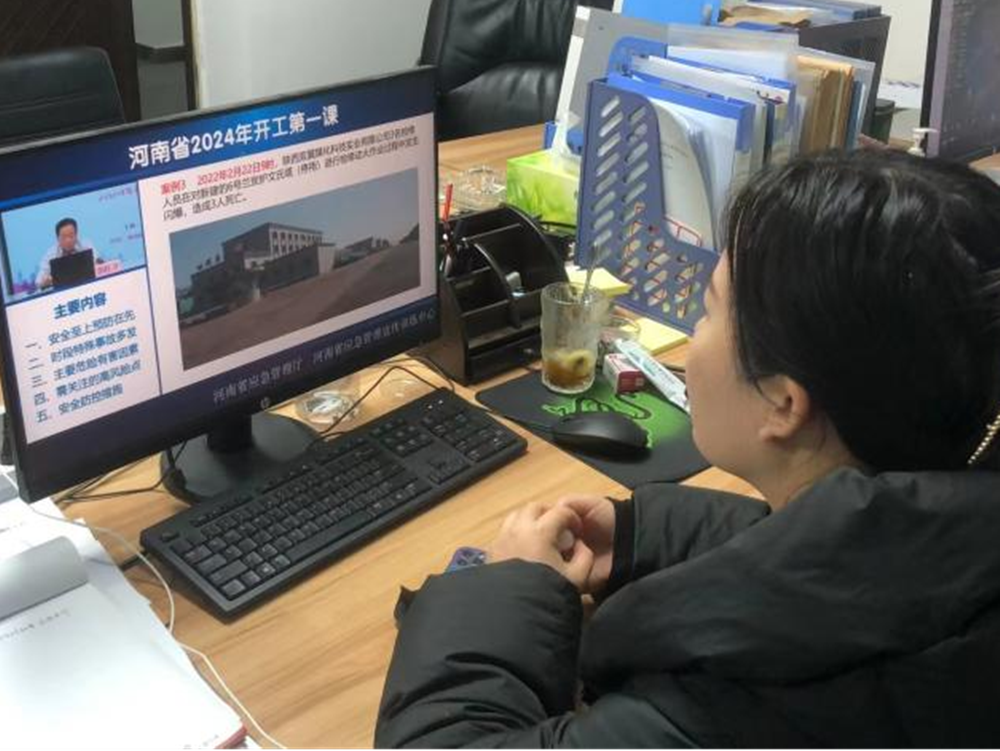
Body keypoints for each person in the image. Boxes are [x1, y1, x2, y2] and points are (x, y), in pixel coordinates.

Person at [375, 150, 1000, 749]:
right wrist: (642, 537)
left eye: (707, 310)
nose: (691, 340)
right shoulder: (958, 547)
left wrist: (515, 589)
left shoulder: (751, 703)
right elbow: (859, 544)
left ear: (784, 404)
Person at [36, 218, 100, 290]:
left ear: (76, 235)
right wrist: (46, 281)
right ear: (58, 238)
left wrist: (97, 265)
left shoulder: (86, 245)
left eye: (71, 236)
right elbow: (39, 282)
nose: (68, 240)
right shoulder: (51, 254)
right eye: (64, 237)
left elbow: (97, 262)